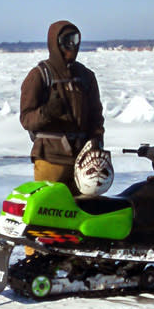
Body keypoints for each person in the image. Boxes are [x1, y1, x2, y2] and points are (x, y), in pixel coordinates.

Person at [19, 20, 105, 193]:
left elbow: (96, 117)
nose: (72, 46)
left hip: (83, 162)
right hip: (50, 161)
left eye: (75, 40)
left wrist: (97, 141)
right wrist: (48, 112)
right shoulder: (39, 75)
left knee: (85, 212)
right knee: (49, 213)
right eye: (67, 41)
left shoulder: (86, 77)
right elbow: (26, 119)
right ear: (55, 43)